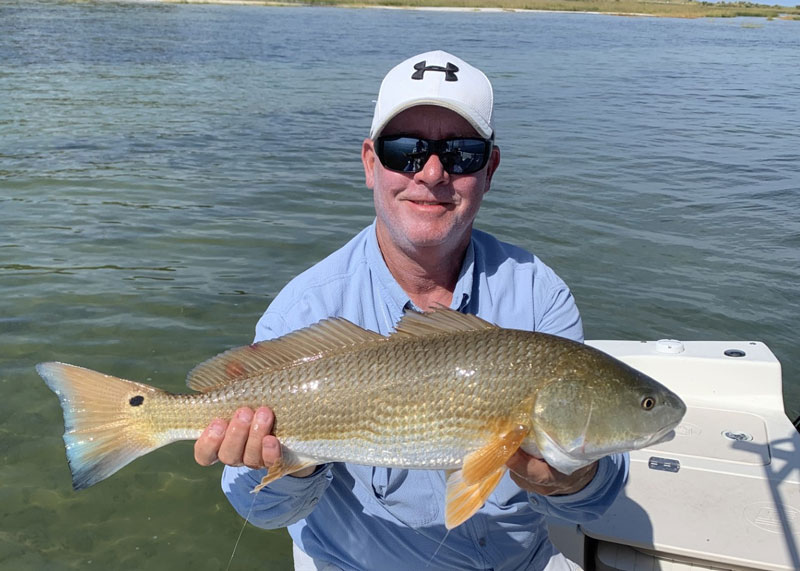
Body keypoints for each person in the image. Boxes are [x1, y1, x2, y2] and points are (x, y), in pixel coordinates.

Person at [194, 50, 628, 570]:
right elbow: (257, 509)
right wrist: (292, 466)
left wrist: (576, 479)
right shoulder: (304, 309)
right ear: (370, 163)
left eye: (462, 153)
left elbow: (599, 498)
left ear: (489, 170)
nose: (431, 173)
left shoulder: (538, 294)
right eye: (404, 150)